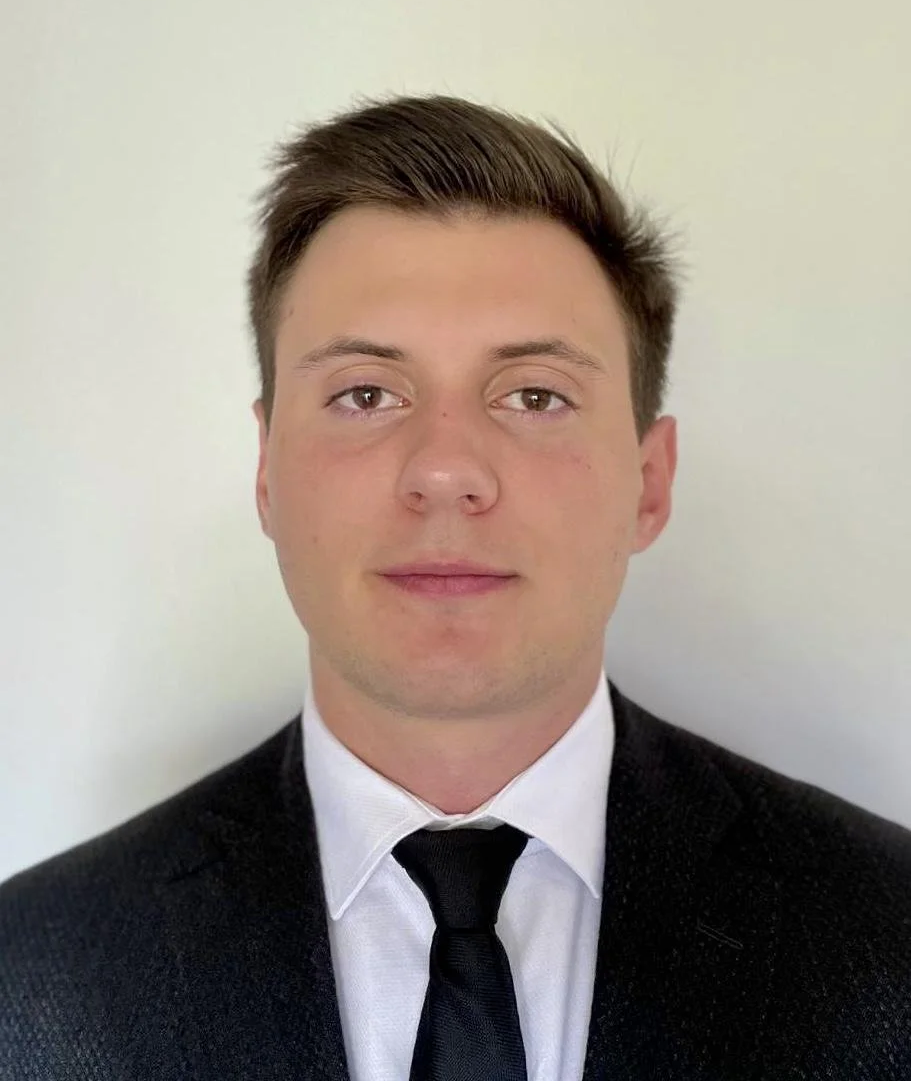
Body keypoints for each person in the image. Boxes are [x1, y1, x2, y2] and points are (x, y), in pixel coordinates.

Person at [1, 95, 909, 1081]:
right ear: (267, 471)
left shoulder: (884, 938)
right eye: (364, 393)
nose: (443, 470)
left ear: (649, 484)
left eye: (533, 395)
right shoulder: (31, 976)